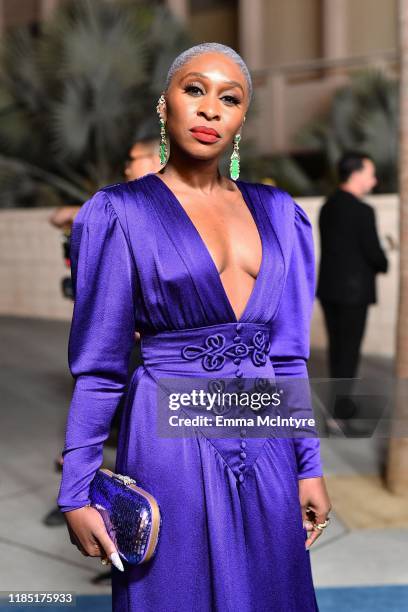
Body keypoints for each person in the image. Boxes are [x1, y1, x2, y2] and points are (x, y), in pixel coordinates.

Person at [57, 42, 331, 611]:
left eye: (229, 98)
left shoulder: (281, 214)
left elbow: (287, 357)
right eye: (195, 89)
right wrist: (76, 487)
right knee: (176, 593)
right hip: (169, 443)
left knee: (274, 591)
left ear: (241, 119)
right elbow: (100, 367)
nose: (210, 109)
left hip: (267, 441)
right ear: (165, 105)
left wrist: (308, 466)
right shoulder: (120, 213)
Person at [316, 152, 388, 429]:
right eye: (370, 173)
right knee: (349, 352)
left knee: (338, 350)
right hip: (353, 292)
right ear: (356, 174)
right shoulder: (362, 211)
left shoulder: (328, 206)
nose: (374, 179)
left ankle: (339, 407)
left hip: (330, 290)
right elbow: (373, 253)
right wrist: (384, 262)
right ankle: (339, 413)